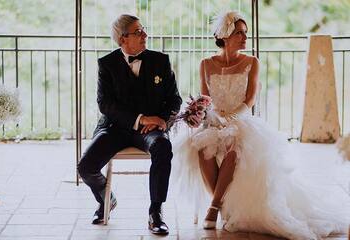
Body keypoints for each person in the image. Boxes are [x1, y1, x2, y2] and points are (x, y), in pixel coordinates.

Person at [172, 11, 350, 239]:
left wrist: (230, 119)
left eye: (246, 33)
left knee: (234, 150)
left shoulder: (252, 62)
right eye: (239, 33)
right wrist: (201, 114)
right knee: (200, 147)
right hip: (214, 120)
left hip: (240, 120)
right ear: (225, 36)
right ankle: (223, 205)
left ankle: (214, 208)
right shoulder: (206, 64)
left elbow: (250, 100)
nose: (245, 38)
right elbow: (205, 100)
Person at [77, 14, 182, 235]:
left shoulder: (160, 61)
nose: (145, 34)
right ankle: (106, 199)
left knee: (163, 147)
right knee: (85, 167)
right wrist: (140, 119)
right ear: (122, 39)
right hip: (115, 127)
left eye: (143, 29)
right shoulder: (106, 64)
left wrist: (163, 121)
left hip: (151, 130)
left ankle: (156, 212)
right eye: (138, 32)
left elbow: (174, 100)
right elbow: (105, 104)